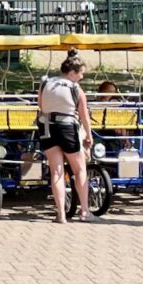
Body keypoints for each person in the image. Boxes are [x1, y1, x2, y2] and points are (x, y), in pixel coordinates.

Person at [38, 49, 94, 223]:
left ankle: (61, 213)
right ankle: (84, 211)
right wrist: (89, 135)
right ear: (71, 73)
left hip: (47, 127)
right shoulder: (76, 88)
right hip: (67, 127)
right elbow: (84, 115)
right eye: (80, 74)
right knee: (79, 169)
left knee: (56, 171)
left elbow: (40, 104)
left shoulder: (45, 83)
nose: (82, 77)